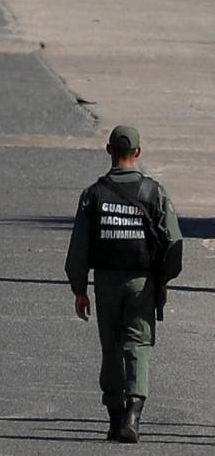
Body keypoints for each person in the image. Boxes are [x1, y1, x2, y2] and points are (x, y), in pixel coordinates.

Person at [65, 125, 182, 443]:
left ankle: (115, 417)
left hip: (105, 282)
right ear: (138, 153)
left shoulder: (93, 194)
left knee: (111, 347)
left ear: (108, 151)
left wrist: (79, 288)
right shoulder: (154, 192)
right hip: (142, 282)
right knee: (138, 346)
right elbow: (174, 243)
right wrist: (163, 279)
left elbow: (79, 248)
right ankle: (134, 412)